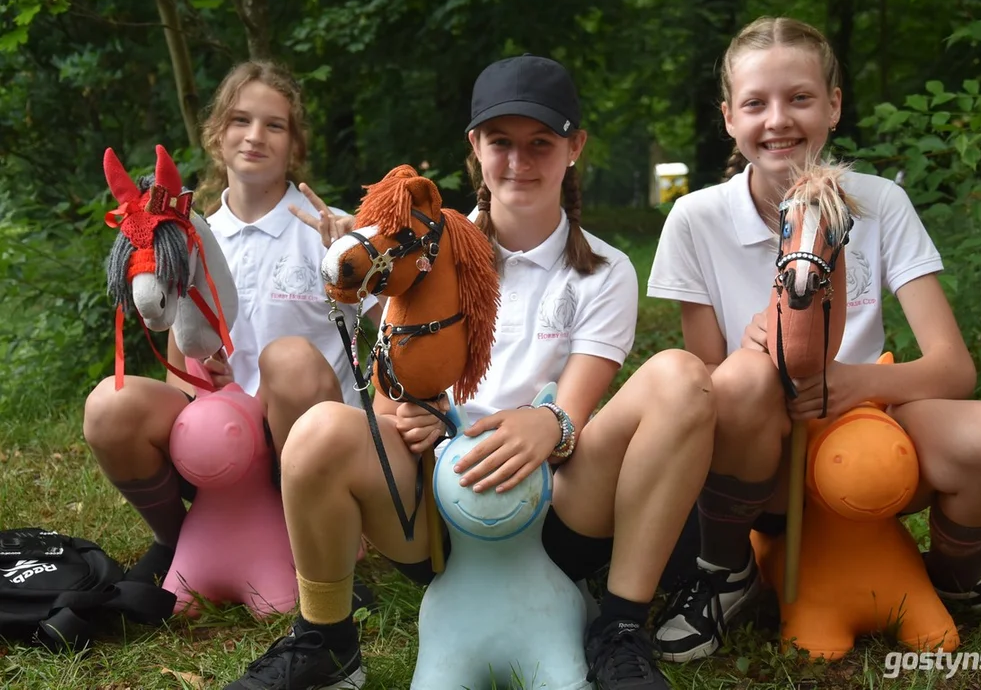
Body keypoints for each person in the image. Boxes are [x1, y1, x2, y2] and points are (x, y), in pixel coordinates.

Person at [224, 54, 716, 690]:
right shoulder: (419, 257)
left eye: (541, 143)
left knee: (681, 374)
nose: (519, 162)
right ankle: (328, 640)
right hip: (438, 519)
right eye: (500, 143)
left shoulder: (605, 269)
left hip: (555, 513)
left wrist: (552, 424)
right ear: (474, 149)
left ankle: (619, 627)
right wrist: (410, 418)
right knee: (320, 428)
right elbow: (385, 401)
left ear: (575, 148)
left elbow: (575, 406)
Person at [646, 15, 981, 663]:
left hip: (870, 437)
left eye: (799, 98)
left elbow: (951, 367)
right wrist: (754, 357)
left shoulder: (878, 203)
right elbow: (697, 388)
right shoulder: (696, 217)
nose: (778, 120)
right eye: (755, 103)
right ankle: (724, 571)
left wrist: (854, 382)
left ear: (833, 106)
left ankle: (965, 581)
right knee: (736, 383)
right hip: (758, 449)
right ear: (728, 117)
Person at [83, 60, 372, 590]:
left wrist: (362, 256)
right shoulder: (190, 236)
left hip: (307, 440)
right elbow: (178, 364)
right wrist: (200, 393)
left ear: (294, 144)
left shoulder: (331, 231)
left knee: (288, 358)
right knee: (109, 405)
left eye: (275, 124)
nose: (255, 136)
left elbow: (409, 316)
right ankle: (179, 538)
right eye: (240, 120)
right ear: (216, 135)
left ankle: (320, 536)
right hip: (224, 444)